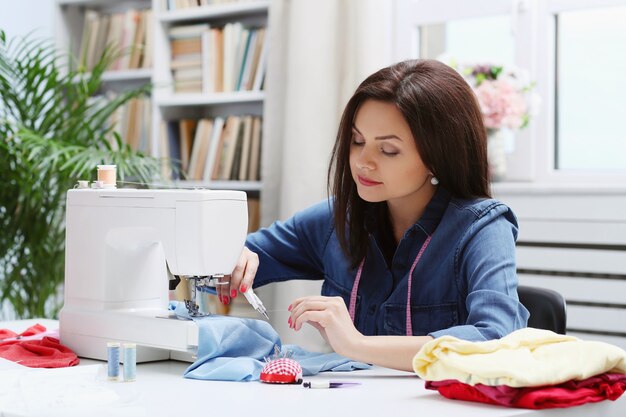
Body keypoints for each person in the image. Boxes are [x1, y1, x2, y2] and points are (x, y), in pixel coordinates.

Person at [218, 59, 529, 372]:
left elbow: (494, 342)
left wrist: (357, 345)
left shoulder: (482, 229)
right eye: (357, 141)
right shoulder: (335, 220)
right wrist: (231, 257)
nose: (362, 162)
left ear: (438, 156)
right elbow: (216, 269)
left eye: (388, 150)